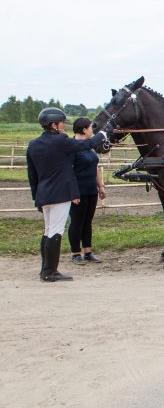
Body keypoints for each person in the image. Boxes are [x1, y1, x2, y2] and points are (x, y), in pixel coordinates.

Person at [27, 107, 110, 282]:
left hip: (44, 195)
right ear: (54, 125)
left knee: (48, 231)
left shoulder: (33, 144)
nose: (64, 126)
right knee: (55, 231)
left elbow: (32, 175)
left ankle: (45, 269)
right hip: (60, 194)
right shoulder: (61, 141)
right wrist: (103, 133)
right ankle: (51, 272)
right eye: (62, 123)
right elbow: (87, 144)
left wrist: (37, 198)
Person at [68, 117, 107, 264]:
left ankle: (88, 251)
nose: (92, 130)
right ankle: (75, 253)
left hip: (91, 190)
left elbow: (96, 167)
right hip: (78, 191)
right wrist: (72, 192)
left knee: (87, 222)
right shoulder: (72, 148)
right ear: (84, 129)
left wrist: (101, 186)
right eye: (91, 127)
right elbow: (69, 172)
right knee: (77, 222)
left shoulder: (89, 147)